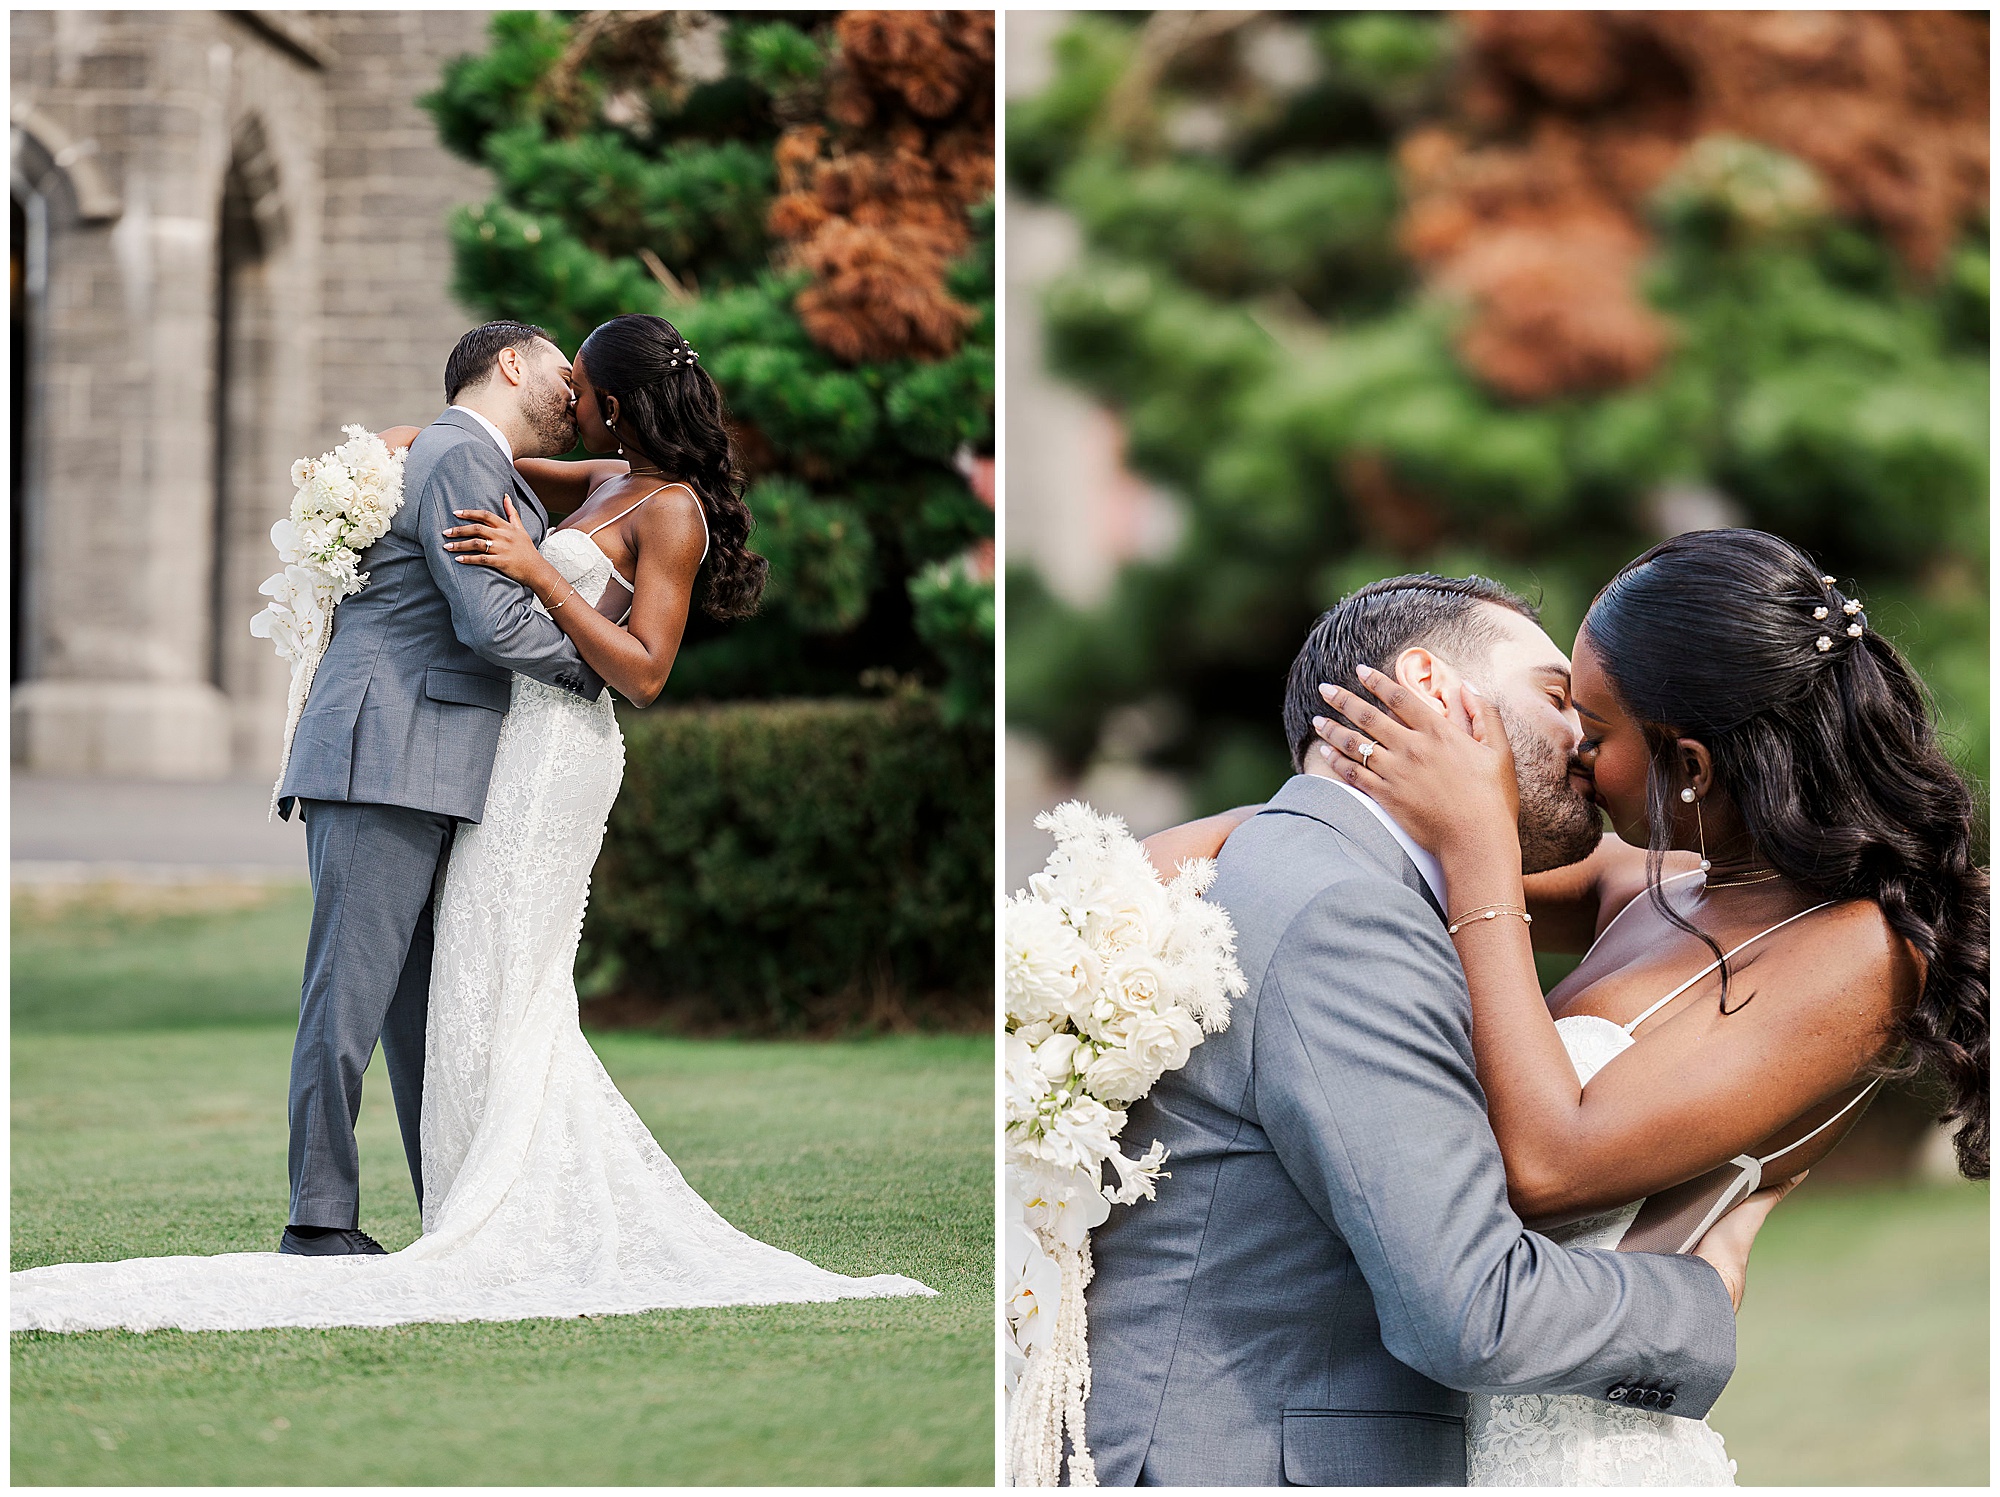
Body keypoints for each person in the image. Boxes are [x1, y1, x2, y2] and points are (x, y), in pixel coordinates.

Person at [10, 317, 932, 1331]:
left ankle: (454, 1205)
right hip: (428, 750)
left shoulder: (660, 505)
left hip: (533, 755)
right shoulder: (583, 473)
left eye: (579, 382)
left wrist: (543, 581)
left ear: (614, 401)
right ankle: (333, 1221)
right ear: (512, 370)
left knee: (476, 988)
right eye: (554, 374)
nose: (564, 392)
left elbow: (638, 666)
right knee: (393, 991)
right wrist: (411, 440)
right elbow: (490, 472)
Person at [1140, 540, 1987, 1485]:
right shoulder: (1661, 889)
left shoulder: (1863, 954)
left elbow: (1544, 1164)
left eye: (1593, 723)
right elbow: (1364, 852)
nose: (1577, 750)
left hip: (1580, 1448)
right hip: (1465, 1418)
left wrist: (1478, 846)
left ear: (1692, 765)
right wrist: (1240, 833)